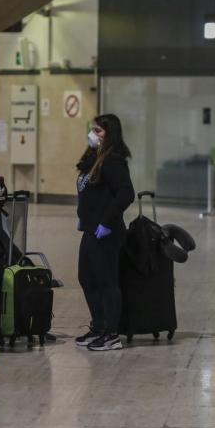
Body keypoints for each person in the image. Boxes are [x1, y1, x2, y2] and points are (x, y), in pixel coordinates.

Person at [75, 114, 134, 351]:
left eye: (98, 131)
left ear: (110, 135)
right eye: (93, 130)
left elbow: (126, 193)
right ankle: (98, 326)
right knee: (86, 277)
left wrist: (107, 221)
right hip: (90, 229)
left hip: (106, 232)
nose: (93, 134)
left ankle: (111, 334)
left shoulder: (113, 160)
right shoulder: (95, 158)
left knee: (106, 281)